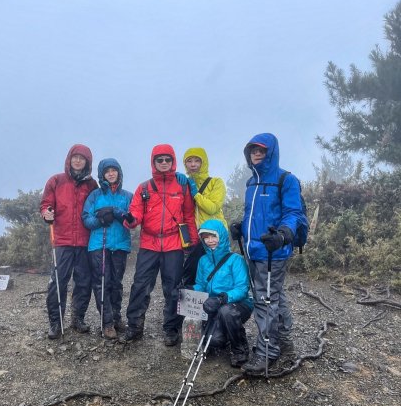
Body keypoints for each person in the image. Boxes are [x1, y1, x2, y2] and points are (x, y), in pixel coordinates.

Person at [230, 133, 304, 374]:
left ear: (271, 152)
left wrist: (283, 234)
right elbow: (254, 214)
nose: (257, 154)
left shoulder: (286, 180)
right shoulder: (252, 183)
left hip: (274, 252)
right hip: (254, 250)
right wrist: (241, 226)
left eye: (262, 150)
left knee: (264, 301)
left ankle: (266, 352)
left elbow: (293, 213)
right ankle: (284, 341)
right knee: (276, 296)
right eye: (253, 151)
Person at [121, 144, 198, 346]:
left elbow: (189, 215)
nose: (164, 163)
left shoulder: (182, 186)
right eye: (159, 160)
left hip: (174, 244)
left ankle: (171, 330)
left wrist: (192, 241)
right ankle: (135, 327)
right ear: (153, 162)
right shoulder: (144, 187)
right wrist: (130, 220)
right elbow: (136, 212)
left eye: (167, 160)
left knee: (174, 288)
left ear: (173, 161)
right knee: (140, 286)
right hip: (149, 243)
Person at [40, 144, 98, 339]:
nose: (78, 160)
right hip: (62, 241)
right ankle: (56, 323)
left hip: (84, 241)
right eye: (75, 157)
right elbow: (46, 204)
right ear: (69, 159)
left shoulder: (92, 185)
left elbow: (96, 207)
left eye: (82, 158)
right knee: (57, 283)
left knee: (83, 282)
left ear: (87, 162)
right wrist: (46, 213)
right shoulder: (56, 181)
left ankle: (78, 318)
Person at [82, 158, 133, 339]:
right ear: (102, 174)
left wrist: (121, 216)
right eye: (107, 171)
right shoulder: (95, 195)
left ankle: (117, 317)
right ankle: (107, 322)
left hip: (120, 245)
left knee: (116, 284)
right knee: (102, 283)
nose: (111, 174)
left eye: (114, 170)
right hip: (99, 245)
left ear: (119, 172)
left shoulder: (128, 196)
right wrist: (100, 220)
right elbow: (86, 219)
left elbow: (133, 222)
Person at [194, 219, 253, 368]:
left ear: (221, 236)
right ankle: (224, 334)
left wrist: (222, 298)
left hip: (238, 304)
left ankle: (240, 350)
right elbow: (201, 285)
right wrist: (186, 291)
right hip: (215, 305)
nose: (210, 241)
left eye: (213, 236)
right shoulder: (202, 261)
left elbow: (242, 288)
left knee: (227, 311)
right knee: (214, 341)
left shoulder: (236, 260)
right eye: (206, 237)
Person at [181, 147, 227, 285]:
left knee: (216, 274)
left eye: (197, 161)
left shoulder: (216, 182)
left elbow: (212, 208)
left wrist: (196, 194)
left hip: (215, 236)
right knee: (193, 273)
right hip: (195, 237)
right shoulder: (184, 184)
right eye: (189, 161)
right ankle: (192, 305)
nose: (193, 164)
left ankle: (219, 304)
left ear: (204, 163)